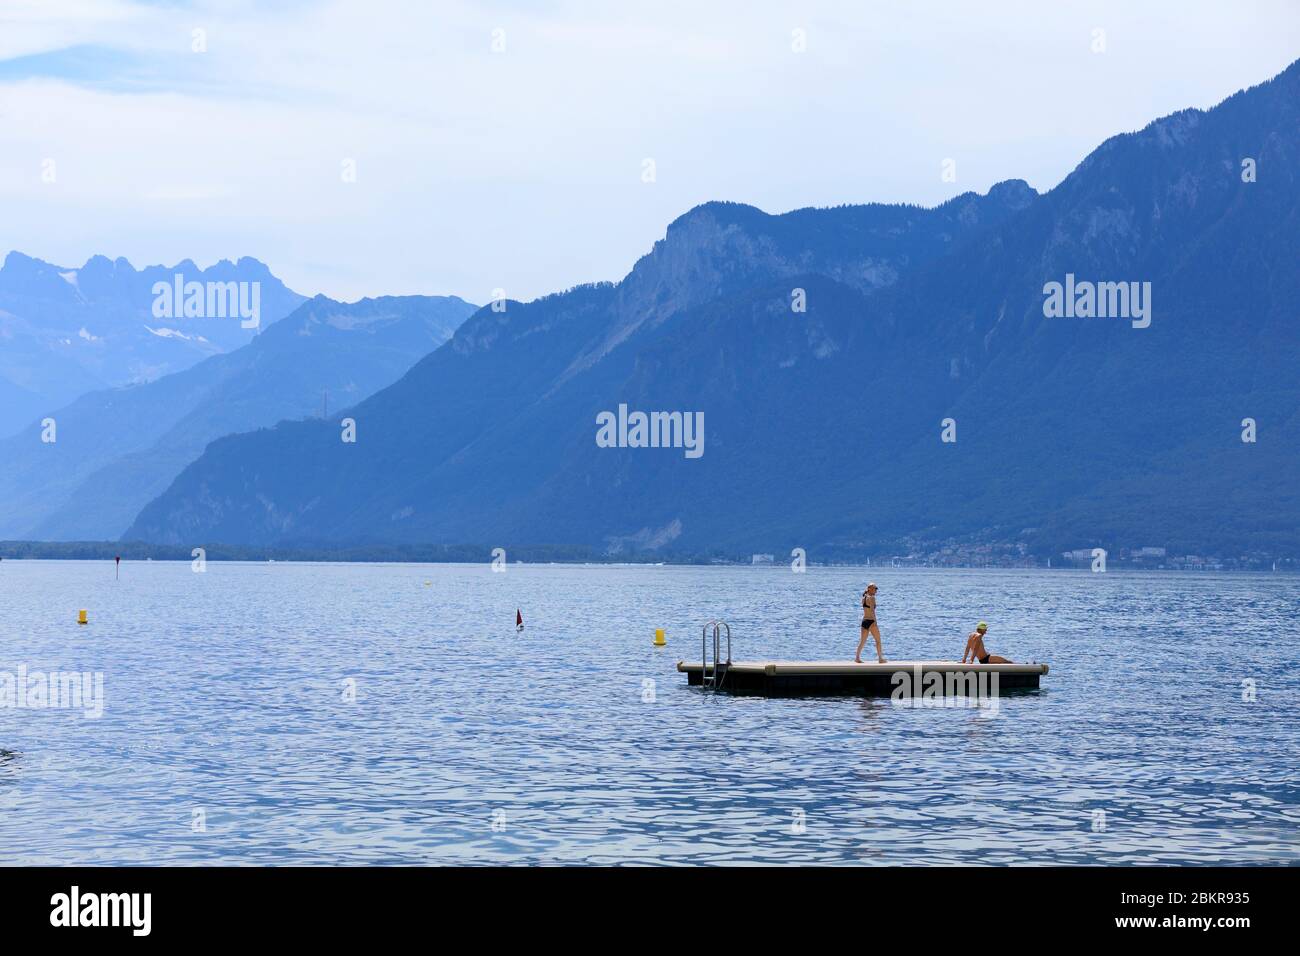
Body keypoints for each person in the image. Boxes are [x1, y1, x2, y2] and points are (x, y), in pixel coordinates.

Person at [854, 583, 886, 664]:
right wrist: (875, 622)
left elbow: (866, 610)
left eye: (876, 589)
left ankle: (857, 658)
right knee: (878, 640)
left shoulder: (863, 598)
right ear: (870, 589)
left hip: (864, 621)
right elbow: (872, 611)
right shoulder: (872, 598)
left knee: (862, 641)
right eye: (875, 588)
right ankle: (880, 659)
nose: (876, 590)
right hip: (871, 621)